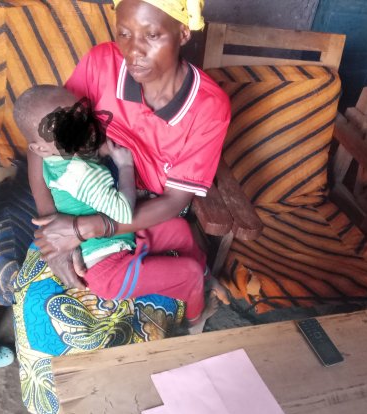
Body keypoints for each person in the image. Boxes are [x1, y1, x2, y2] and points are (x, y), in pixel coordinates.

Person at [28, 0, 231, 326]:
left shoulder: (208, 107)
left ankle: (199, 287)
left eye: (151, 35)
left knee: (176, 246)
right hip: (78, 199)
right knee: (42, 304)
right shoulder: (101, 64)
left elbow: (175, 201)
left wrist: (85, 229)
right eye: (124, 34)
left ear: (182, 33)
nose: (133, 51)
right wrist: (56, 235)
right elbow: (43, 138)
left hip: (148, 211)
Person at [14, 84, 220, 332]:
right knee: (190, 273)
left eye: (81, 116)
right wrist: (125, 167)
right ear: (40, 149)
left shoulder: (57, 158)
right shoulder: (80, 174)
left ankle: (206, 277)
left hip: (113, 240)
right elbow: (124, 211)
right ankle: (195, 319)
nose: (83, 129)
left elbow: (49, 144)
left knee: (179, 230)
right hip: (108, 270)